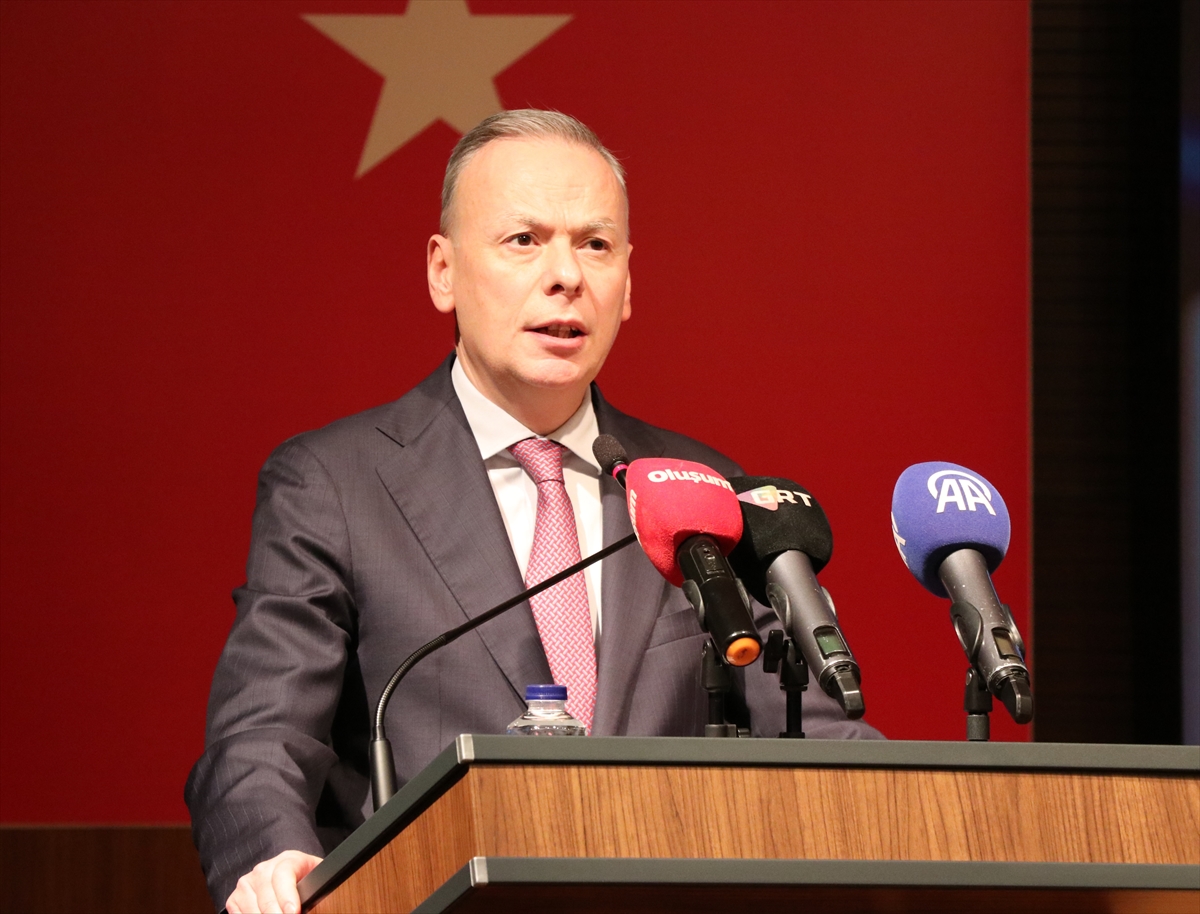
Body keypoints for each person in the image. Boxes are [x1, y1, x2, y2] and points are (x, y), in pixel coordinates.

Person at [185, 110, 882, 914]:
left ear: (628, 283)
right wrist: (273, 857)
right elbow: (262, 735)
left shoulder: (703, 493)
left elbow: (821, 742)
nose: (565, 276)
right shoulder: (335, 485)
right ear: (443, 271)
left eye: (595, 245)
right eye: (524, 240)